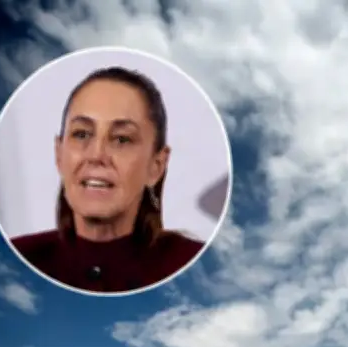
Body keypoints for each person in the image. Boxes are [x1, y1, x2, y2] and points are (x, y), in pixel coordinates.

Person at [11, 66, 205, 293]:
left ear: (156, 165)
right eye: (81, 134)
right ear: (59, 154)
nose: (96, 155)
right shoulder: (16, 259)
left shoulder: (194, 266)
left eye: (121, 139)